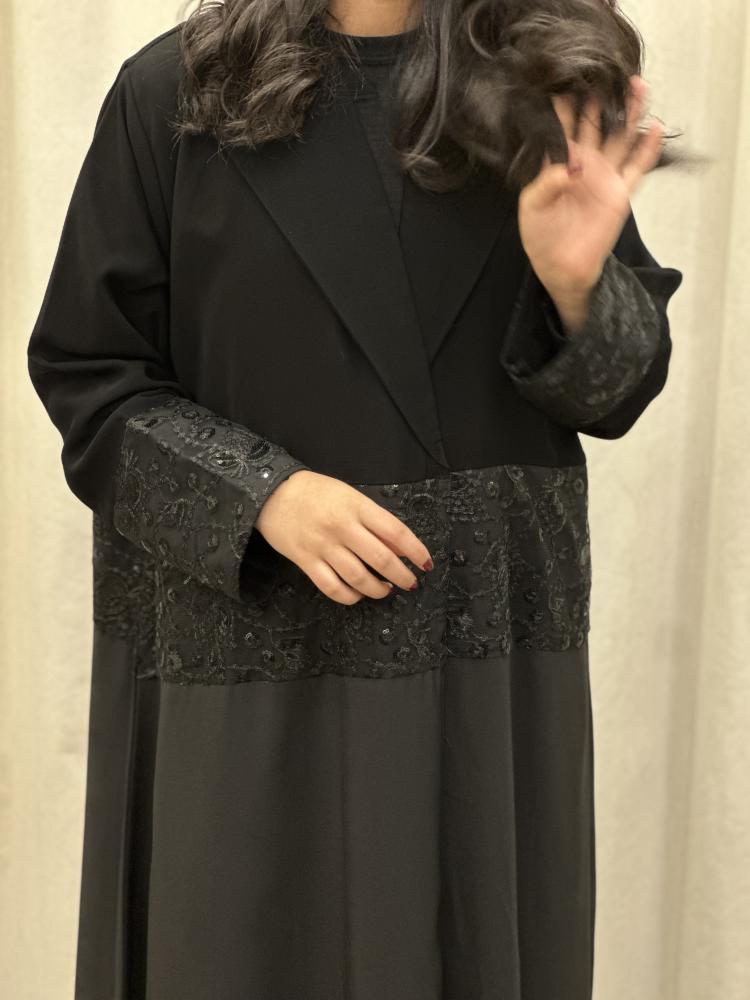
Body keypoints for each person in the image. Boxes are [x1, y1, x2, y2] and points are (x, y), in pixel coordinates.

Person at [26, 1, 684, 998]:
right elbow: (90, 377)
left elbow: (618, 395)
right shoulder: (177, 95)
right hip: (246, 686)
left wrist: (575, 282)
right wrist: (261, 495)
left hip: (480, 700)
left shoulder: (536, 93)